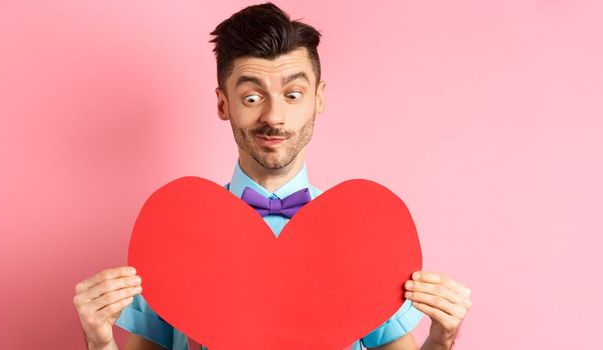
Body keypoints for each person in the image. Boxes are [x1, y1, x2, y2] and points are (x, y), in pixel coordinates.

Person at [73, 3, 472, 349]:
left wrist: (441, 339)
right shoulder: (173, 231)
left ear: (318, 98)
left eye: (293, 94)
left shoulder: (362, 233)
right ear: (223, 103)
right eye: (251, 96)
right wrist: (100, 341)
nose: (274, 117)